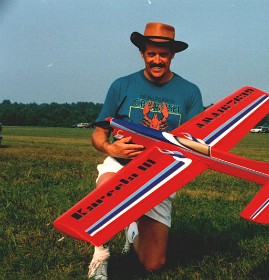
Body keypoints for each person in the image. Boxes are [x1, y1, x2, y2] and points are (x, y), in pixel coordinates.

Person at [88, 22, 203, 279]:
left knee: (152, 265)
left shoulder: (190, 92)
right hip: (121, 165)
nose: (157, 60)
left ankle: (132, 229)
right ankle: (101, 255)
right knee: (107, 188)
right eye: (151, 53)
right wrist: (109, 146)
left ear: (172, 55)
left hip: (160, 174)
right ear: (142, 53)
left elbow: (196, 142)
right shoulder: (122, 85)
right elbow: (98, 132)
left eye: (163, 54)